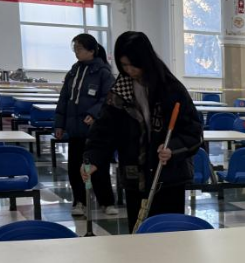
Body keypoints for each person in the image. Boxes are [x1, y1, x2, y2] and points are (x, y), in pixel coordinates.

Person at [82, 32, 202, 226]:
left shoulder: (171, 89)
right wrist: (93, 158)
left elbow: (193, 132)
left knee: (170, 233)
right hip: (135, 177)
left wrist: (172, 148)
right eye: (124, 65)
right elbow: (104, 130)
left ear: (146, 60)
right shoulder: (119, 92)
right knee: (138, 233)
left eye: (133, 65)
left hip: (168, 177)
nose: (129, 70)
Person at [55, 34, 116, 218]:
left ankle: (106, 202)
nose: (76, 52)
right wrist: (59, 125)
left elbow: (108, 97)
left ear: (91, 51)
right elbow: (64, 99)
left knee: (98, 166)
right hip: (75, 130)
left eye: (80, 48)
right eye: (75, 48)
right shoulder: (73, 72)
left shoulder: (103, 72)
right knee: (75, 167)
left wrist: (94, 113)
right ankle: (79, 201)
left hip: (95, 131)